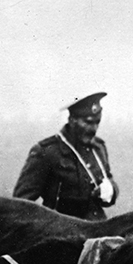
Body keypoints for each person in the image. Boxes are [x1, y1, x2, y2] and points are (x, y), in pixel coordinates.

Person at [13, 92, 119, 221]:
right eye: (88, 122)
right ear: (72, 120)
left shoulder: (99, 148)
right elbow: (20, 203)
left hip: (98, 227)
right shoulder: (47, 152)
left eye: (97, 122)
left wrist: (111, 190)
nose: (94, 128)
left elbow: (108, 178)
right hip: (62, 230)